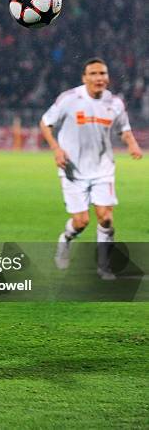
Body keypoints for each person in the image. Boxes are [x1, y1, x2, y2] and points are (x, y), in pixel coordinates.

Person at [39, 58, 142, 279]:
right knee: (81, 221)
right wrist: (56, 149)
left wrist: (132, 143)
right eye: (93, 74)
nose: (99, 78)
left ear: (108, 77)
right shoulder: (69, 99)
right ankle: (66, 239)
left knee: (105, 217)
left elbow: (124, 128)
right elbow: (45, 123)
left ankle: (104, 266)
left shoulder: (115, 103)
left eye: (102, 73)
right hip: (72, 171)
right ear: (84, 77)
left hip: (102, 169)